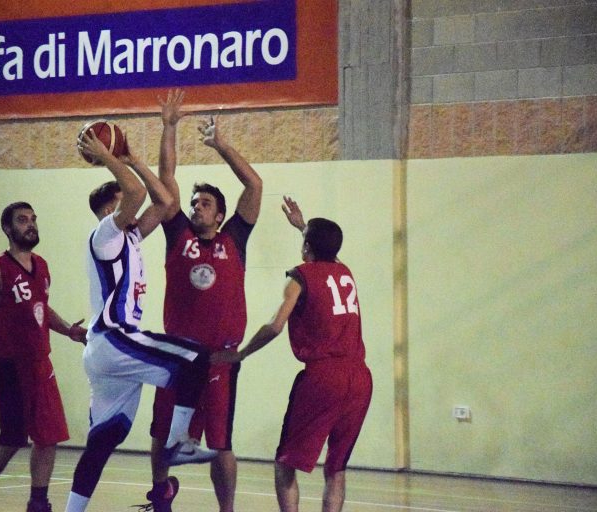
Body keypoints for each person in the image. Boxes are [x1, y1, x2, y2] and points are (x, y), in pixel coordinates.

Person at [65, 122, 217, 512]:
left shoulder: (130, 236)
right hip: (115, 337)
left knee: (103, 441)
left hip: (108, 350)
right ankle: (178, 443)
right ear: (110, 210)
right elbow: (135, 192)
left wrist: (132, 159)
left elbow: (165, 202)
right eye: (123, 203)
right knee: (196, 357)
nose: (132, 206)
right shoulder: (106, 235)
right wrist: (107, 157)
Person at [213, 197, 373, 512]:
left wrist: (241, 354)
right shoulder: (345, 272)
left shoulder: (301, 275)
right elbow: (327, 253)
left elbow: (275, 326)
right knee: (336, 468)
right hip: (360, 378)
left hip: (323, 377)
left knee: (285, 463)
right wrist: (304, 227)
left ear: (306, 246)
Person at [148, 89, 263, 512]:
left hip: (219, 359)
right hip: (178, 357)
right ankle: (161, 497)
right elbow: (166, 181)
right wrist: (169, 127)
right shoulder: (178, 235)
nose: (197, 207)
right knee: (162, 435)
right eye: (195, 203)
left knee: (220, 444)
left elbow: (254, 184)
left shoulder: (235, 240)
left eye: (205, 203)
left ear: (220, 215)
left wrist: (221, 145)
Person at [0, 202, 88, 512]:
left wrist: (68, 330)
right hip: (9, 365)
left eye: (33, 219)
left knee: (48, 436)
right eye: (23, 220)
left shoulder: (42, 265)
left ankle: (38, 502)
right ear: (8, 228)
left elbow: (40, 308)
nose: (31, 225)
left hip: (41, 363)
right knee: (12, 438)